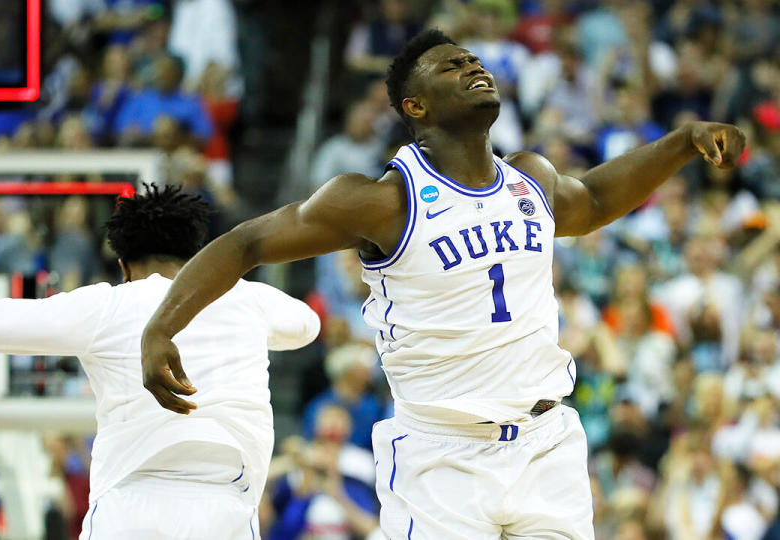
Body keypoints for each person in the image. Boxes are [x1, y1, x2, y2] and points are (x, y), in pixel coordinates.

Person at [140, 29, 746, 539]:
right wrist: (162, 326)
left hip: (546, 443)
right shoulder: (384, 200)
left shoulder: (529, 177)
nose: (473, 67)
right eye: (451, 66)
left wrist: (682, 141)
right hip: (442, 457)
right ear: (416, 107)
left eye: (474, 61)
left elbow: (595, 199)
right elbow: (245, 243)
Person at [0, 164, 321, 539]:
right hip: (225, 507)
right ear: (198, 256)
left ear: (123, 264)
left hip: (128, 508)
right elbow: (308, 325)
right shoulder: (247, 298)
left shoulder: (106, 305)